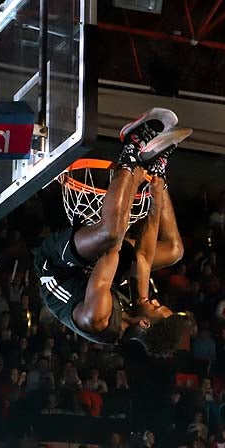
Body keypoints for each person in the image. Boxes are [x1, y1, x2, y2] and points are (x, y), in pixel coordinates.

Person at [33, 108, 193, 355]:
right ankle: (157, 168)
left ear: (144, 323)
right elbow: (144, 256)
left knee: (111, 233)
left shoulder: (98, 318)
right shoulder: (139, 309)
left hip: (57, 265)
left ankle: (131, 146)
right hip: (93, 267)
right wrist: (156, 192)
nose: (155, 301)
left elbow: (112, 248)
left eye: (157, 307)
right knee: (173, 251)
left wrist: (134, 179)